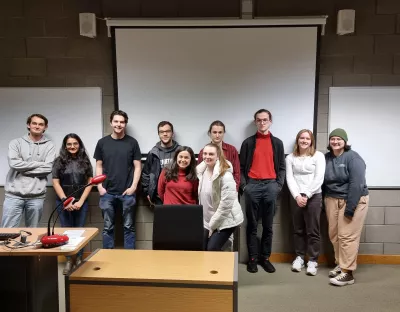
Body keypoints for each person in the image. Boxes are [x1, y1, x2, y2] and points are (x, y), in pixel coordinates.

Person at [240, 109, 285, 274]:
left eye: (265, 120)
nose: (262, 123)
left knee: (268, 225)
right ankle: (252, 258)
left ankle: (265, 258)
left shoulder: (278, 143)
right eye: (259, 120)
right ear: (255, 122)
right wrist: (245, 187)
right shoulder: (248, 143)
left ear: (270, 121)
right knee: (251, 225)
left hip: (271, 186)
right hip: (253, 186)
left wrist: (278, 186)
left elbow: (281, 167)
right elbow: (242, 167)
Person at [324, 128, 369, 286]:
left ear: (345, 141)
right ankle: (341, 263)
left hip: (352, 199)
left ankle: (348, 273)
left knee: (347, 236)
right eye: (332, 139)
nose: (335, 142)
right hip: (332, 199)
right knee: (334, 235)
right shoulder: (327, 158)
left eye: (339, 139)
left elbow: (357, 184)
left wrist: (350, 208)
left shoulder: (353, 158)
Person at [94, 110, 142, 249]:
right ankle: (108, 256)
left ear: (125, 124)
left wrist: (133, 187)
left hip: (127, 192)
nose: (119, 124)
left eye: (122, 122)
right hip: (107, 193)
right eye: (116, 121)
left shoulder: (132, 143)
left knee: (129, 227)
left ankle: (129, 257)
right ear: (111, 122)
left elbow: (137, 167)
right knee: (108, 227)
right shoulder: (102, 142)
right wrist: (99, 187)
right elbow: (98, 165)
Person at [1, 114, 55, 228]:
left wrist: (23, 169)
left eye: (41, 124)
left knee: (32, 233)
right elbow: (14, 164)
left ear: (45, 127)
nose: (37, 126)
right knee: (7, 232)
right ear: (28, 125)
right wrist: (38, 164)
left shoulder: (49, 145)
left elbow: (48, 168)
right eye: (34, 123)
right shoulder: (16, 143)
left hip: (36, 197)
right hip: (13, 195)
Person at [285, 129, 325, 276]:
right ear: (298, 140)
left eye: (307, 138)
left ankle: (313, 260)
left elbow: (319, 178)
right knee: (298, 229)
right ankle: (299, 257)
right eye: (301, 138)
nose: (304, 141)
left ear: (311, 141)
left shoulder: (318, 156)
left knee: (313, 230)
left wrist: (307, 195)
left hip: (314, 196)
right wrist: (297, 196)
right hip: (296, 197)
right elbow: (290, 178)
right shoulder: (290, 158)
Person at [52, 133, 93, 274]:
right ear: (65, 146)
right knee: (66, 231)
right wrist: (65, 201)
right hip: (63, 202)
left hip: (81, 202)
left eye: (75, 143)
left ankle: (80, 259)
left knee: (80, 231)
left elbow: (90, 182)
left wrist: (81, 201)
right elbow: (55, 182)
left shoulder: (85, 161)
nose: (72, 146)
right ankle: (69, 260)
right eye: (69, 144)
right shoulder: (59, 161)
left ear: (79, 145)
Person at [197, 143, 244, 251]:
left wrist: (212, 226)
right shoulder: (202, 172)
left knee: (211, 249)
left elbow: (225, 207)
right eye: (205, 153)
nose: (207, 156)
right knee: (201, 248)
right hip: (208, 220)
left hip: (226, 220)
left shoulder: (225, 175)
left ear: (218, 156)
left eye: (211, 154)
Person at [141, 121, 180, 207]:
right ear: (158, 134)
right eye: (162, 132)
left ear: (172, 133)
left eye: (168, 131)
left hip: (177, 196)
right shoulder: (153, 153)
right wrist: (147, 192)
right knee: (161, 220)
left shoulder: (180, 152)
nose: (165, 134)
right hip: (159, 197)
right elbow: (145, 174)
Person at [198, 120, 240, 191]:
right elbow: (199, 173)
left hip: (228, 189)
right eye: (214, 132)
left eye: (220, 132)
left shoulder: (232, 150)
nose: (217, 135)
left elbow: (237, 172)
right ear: (210, 133)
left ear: (224, 133)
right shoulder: (203, 151)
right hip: (208, 190)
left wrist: (234, 189)